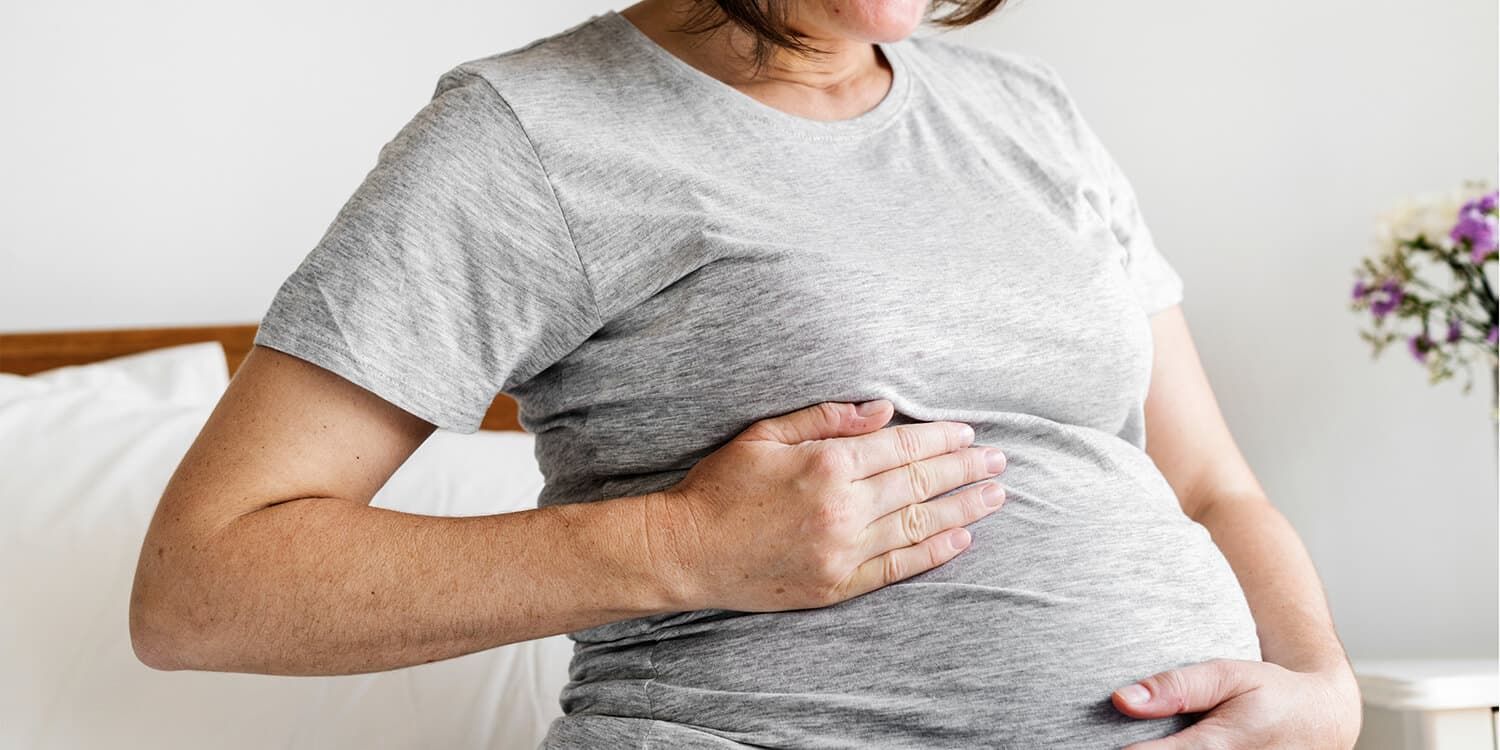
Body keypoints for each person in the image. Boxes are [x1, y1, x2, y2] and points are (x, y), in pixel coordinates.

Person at [128, 0, 1363, 746]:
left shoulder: (1031, 114)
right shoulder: (527, 135)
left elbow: (1207, 486)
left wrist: (1323, 687)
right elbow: (202, 586)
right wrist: (686, 545)